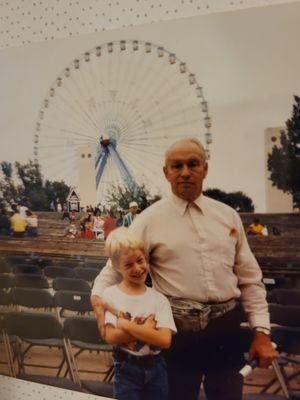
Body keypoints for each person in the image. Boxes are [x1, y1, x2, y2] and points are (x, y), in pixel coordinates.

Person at [91, 138, 277, 400]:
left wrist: (262, 333)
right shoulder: (148, 220)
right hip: (177, 335)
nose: (185, 172)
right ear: (166, 172)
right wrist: (98, 301)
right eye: (176, 166)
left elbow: (250, 280)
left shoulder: (228, 216)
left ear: (205, 168)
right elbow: (112, 269)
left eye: (193, 164)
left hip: (225, 331)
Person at [99, 227, 176, 400]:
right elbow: (111, 336)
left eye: (140, 260)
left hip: (157, 370)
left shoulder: (159, 298)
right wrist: (147, 330)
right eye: (128, 264)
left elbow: (164, 340)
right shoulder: (110, 295)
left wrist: (126, 325)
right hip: (126, 369)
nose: (137, 268)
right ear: (116, 266)